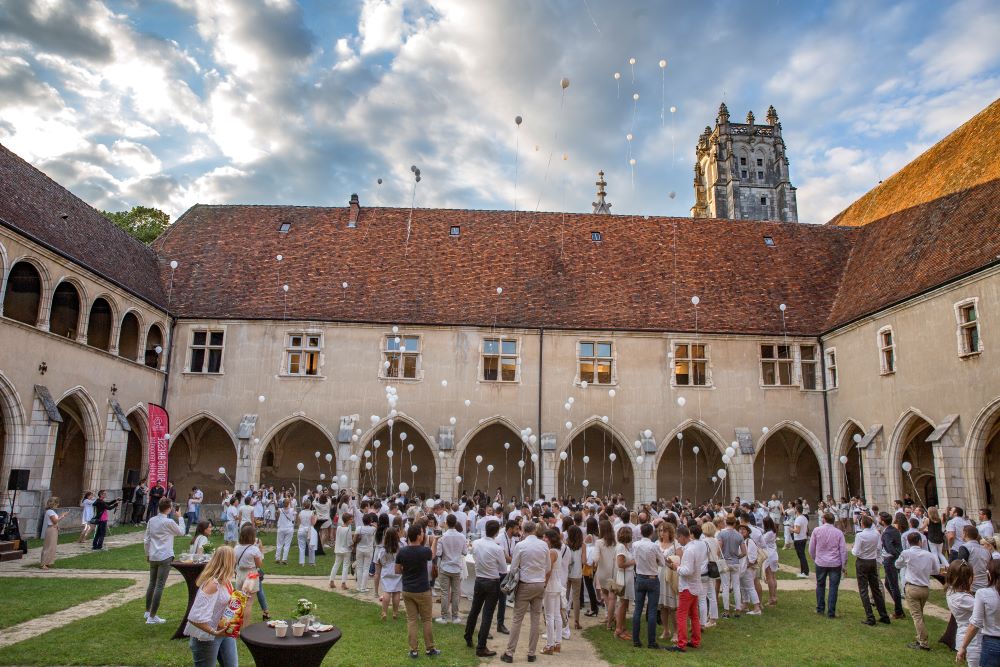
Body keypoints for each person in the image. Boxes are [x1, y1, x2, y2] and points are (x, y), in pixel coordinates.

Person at [502, 521, 549, 663]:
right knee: (535, 619)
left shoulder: (520, 545)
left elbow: (514, 567)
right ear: (534, 530)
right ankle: (531, 653)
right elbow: (547, 567)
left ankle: (510, 653)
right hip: (539, 583)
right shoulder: (543, 545)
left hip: (525, 584)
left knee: (517, 619)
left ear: (523, 530)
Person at [184, 546, 240, 667]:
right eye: (234, 558)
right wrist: (214, 632)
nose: (236, 561)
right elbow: (195, 617)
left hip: (224, 631)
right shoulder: (213, 584)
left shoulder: (226, 580)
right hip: (207, 636)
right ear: (228, 561)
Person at [396, 524, 440, 659]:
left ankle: (413, 650)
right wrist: (435, 541)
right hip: (422, 589)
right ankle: (429, 648)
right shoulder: (424, 551)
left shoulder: (402, 552)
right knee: (426, 620)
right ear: (419, 536)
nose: (423, 535)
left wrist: (407, 571)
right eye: (421, 533)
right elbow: (432, 555)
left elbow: (397, 570)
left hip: (408, 589)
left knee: (412, 620)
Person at [465, 519, 505, 657]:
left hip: (480, 579)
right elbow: (503, 569)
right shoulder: (497, 548)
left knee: (475, 610)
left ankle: (468, 635)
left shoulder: (477, 543)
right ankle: (481, 646)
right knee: (487, 614)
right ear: (496, 532)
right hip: (492, 581)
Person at [143, 497, 185, 624]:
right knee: (159, 585)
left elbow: (146, 539)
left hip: (154, 555)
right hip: (165, 555)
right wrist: (180, 517)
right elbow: (182, 532)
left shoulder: (152, 520)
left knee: (152, 583)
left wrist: (147, 554)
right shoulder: (169, 522)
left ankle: (147, 611)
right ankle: (152, 616)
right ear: (169, 508)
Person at [667, 524, 706, 652]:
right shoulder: (698, 545)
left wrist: (675, 567)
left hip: (687, 586)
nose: (677, 540)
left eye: (678, 538)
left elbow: (687, 571)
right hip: (695, 584)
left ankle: (681, 643)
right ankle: (695, 640)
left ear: (683, 537)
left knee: (681, 615)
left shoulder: (689, 550)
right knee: (694, 615)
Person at [896, 531, 938, 650]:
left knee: (916, 616)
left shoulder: (907, 553)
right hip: (924, 588)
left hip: (913, 587)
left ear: (908, 543)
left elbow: (897, 565)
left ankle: (923, 642)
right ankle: (920, 637)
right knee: (919, 614)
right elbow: (936, 570)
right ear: (920, 541)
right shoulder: (929, 555)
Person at [958, 559, 1000, 666]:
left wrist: (963, 646)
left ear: (989, 574)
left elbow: (975, 623)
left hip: (992, 643)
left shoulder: (983, 594)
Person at [853, 514, 891, 626]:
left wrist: (854, 550)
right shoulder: (876, 534)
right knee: (876, 589)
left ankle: (870, 617)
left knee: (864, 589)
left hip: (863, 561)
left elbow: (856, 551)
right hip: (872, 561)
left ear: (862, 524)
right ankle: (884, 615)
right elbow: (879, 547)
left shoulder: (860, 535)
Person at [631, 523, 664, 649]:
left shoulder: (636, 545)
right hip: (651, 578)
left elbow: (635, 558)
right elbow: (662, 562)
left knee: (638, 609)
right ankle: (651, 641)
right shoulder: (653, 546)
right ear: (651, 533)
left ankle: (636, 639)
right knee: (651, 610)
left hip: (640, 577)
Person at [809, 511, 847, 618]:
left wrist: (815, 558)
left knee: (821, 585)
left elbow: (811, 548)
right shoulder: (838, 532)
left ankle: (821, 608)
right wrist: (843, 565)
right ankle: (830, 611)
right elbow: (843, 551)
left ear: (824, 519)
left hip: (822, 562)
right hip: (834, 563)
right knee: (833, 587)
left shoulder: (818, 530)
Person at [946, 560, 980, 667]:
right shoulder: (962, 598)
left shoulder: (952, 591)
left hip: (966, 636)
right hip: (973, 641)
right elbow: (984, 608)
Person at [436, 513, 467, 624]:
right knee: (455, 592)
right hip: (456, 567)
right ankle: (455, 616)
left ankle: (444, 617)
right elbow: (465, 552)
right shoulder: (462, 537)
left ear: (446, 523)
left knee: (445, 593)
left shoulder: (443, 537)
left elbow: (438, 553)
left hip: (445, 566)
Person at [235, 524, 270, 620]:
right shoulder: (254, 549)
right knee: (248, 604)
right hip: (251, 575)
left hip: (239, 574)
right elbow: (259, 565)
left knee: (240, 602)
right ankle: (245, 628)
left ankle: (237, 625)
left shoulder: (236, 548)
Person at [879, 511, 905, 619]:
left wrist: (893, 555)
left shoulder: (887, 533)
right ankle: (898, 606)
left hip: (890, 559)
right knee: (888, 584)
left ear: (883, 521)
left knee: (893, 586)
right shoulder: (894, 530)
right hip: (892, 558)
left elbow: (890, 548)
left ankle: (898, 612)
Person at [718, 514, 744, 616]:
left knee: (725, 586)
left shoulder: (721, 534)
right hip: (735, 562)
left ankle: (726, 611)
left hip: (725, 562)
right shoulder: (739, 535)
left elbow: (718, 549)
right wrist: (737, 557)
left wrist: (719, 557)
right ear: (734, 523)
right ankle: (738, 610)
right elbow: (744, 552)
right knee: (736, 586)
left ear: (726, 522)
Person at [595, 519, 618, 632]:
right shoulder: (615, 542)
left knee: (606, 596)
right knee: (612, 597)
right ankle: (610, 618)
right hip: (613, 571)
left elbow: (595, 558)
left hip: (602, 572)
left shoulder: (599, 542)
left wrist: (594, 562)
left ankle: (610, 617)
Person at [737, 524, 763, 615]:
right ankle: (745, 604)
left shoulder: (749, 541)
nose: (741, 531)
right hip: (742, 568)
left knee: (750, 587)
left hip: (748, 569)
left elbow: (753, 557)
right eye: (740, 529)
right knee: (743, 587)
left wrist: (747, 566)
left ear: (748, 532)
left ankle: (757, 608)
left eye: (743, 529)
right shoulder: (741, 541)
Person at [40, 497, 68, 570]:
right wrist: (63, 516)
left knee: (52, 547)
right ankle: (44, 563)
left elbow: (55, 521)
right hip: (51, 529)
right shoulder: (50, 511)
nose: (57, 505)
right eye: (57, 503)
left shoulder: (51, 511)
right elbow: (55, 521)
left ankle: (48, 562)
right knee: (48, 547)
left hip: (54, 529)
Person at [331, 512, 353, 590]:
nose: (352, 520)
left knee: (336, 564)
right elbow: (349, 541)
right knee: (345, 566)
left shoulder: (339, 528)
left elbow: (338, 538)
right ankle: (343, 583)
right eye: (351, 519)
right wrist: (353, 545)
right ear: (347, 520)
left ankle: (331, 581)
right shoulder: (348, 529)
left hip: (338, 549)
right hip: (346, 550)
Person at [355, 513, 377, 592]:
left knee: (359, 567)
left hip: (360, 549)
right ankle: (363, 587)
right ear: (370, 521)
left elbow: (354, 539)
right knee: (366, 568)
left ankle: (359, 586)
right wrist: (372, 524)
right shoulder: (372, 529)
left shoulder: (359, 528)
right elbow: (377, 528)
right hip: (369, 549)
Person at [274, 498, 295, 564]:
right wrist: (290, 501)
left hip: (281, 528)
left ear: (283, 503)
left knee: (279, 544)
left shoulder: (279, 510)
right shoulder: (292, 510)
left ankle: (277, 558)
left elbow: (276, 517)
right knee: (287, 545)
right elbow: (292, 508)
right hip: (289, 529)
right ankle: (284, 559)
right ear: (288, 503)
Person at [297, 498, 317, 566]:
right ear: (310, 505)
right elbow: (313, 523)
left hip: (301, 529)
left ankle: (301, 562)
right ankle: (311, 562)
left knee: (301, 547)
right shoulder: (312, 513)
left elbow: (299, 523)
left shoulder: (300, 512)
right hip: (309, 530)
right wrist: (316, 518)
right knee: (311, 547)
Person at [792, 504, 810, 577]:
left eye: (795, 509)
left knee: (801, 556)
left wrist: (791, 530)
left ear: (796, 510)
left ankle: (805, 572)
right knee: (801, 556)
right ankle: (803, 572)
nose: (794, 510)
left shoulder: (798, 519)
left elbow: (797, 531)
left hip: (799, 539)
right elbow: (807, 529)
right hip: (803, 538)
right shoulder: (804, 518)